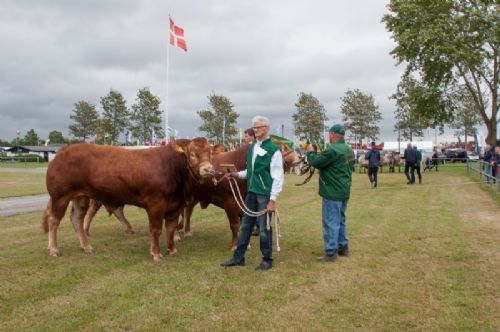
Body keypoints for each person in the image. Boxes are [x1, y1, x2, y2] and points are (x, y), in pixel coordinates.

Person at [221, 116, 284, 271]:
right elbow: (251, 171)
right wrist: (236, 175)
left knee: (264, 228)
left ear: (266, 128)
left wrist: (272, 200)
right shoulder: (253, 147)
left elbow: (278, 176)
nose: (255, 129)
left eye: (258, 127)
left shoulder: (273, 150)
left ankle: (267, 259)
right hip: (252, 193)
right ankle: (238, 257)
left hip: (264, 195)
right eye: (254, 127)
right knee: (246, 226)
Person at [306, 124, 355, 262]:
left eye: (329, 134)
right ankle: (342, 247)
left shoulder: (332, 150)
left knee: (330, 221)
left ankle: (331, 251)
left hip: (332, 191)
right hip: (344, 189)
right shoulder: (349, 149)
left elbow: (316, 162)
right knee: (341, 220)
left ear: (332, 134)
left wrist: (310, 152)